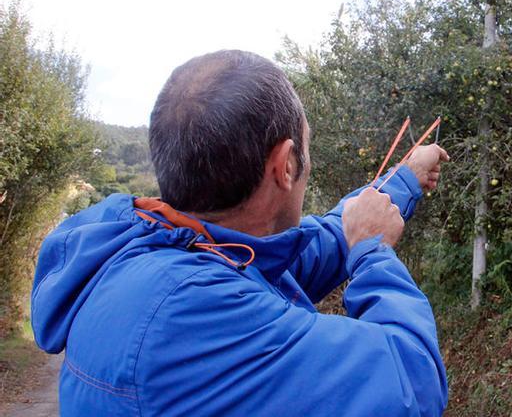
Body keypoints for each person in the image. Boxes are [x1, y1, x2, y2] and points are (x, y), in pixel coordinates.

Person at [30, 50, 450, 416]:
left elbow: (309, 248)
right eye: (305, 148)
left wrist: (405, 177)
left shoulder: (163, 250)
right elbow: (411, 382)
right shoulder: (191, 313)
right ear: (285, 165)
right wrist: (373, 251)